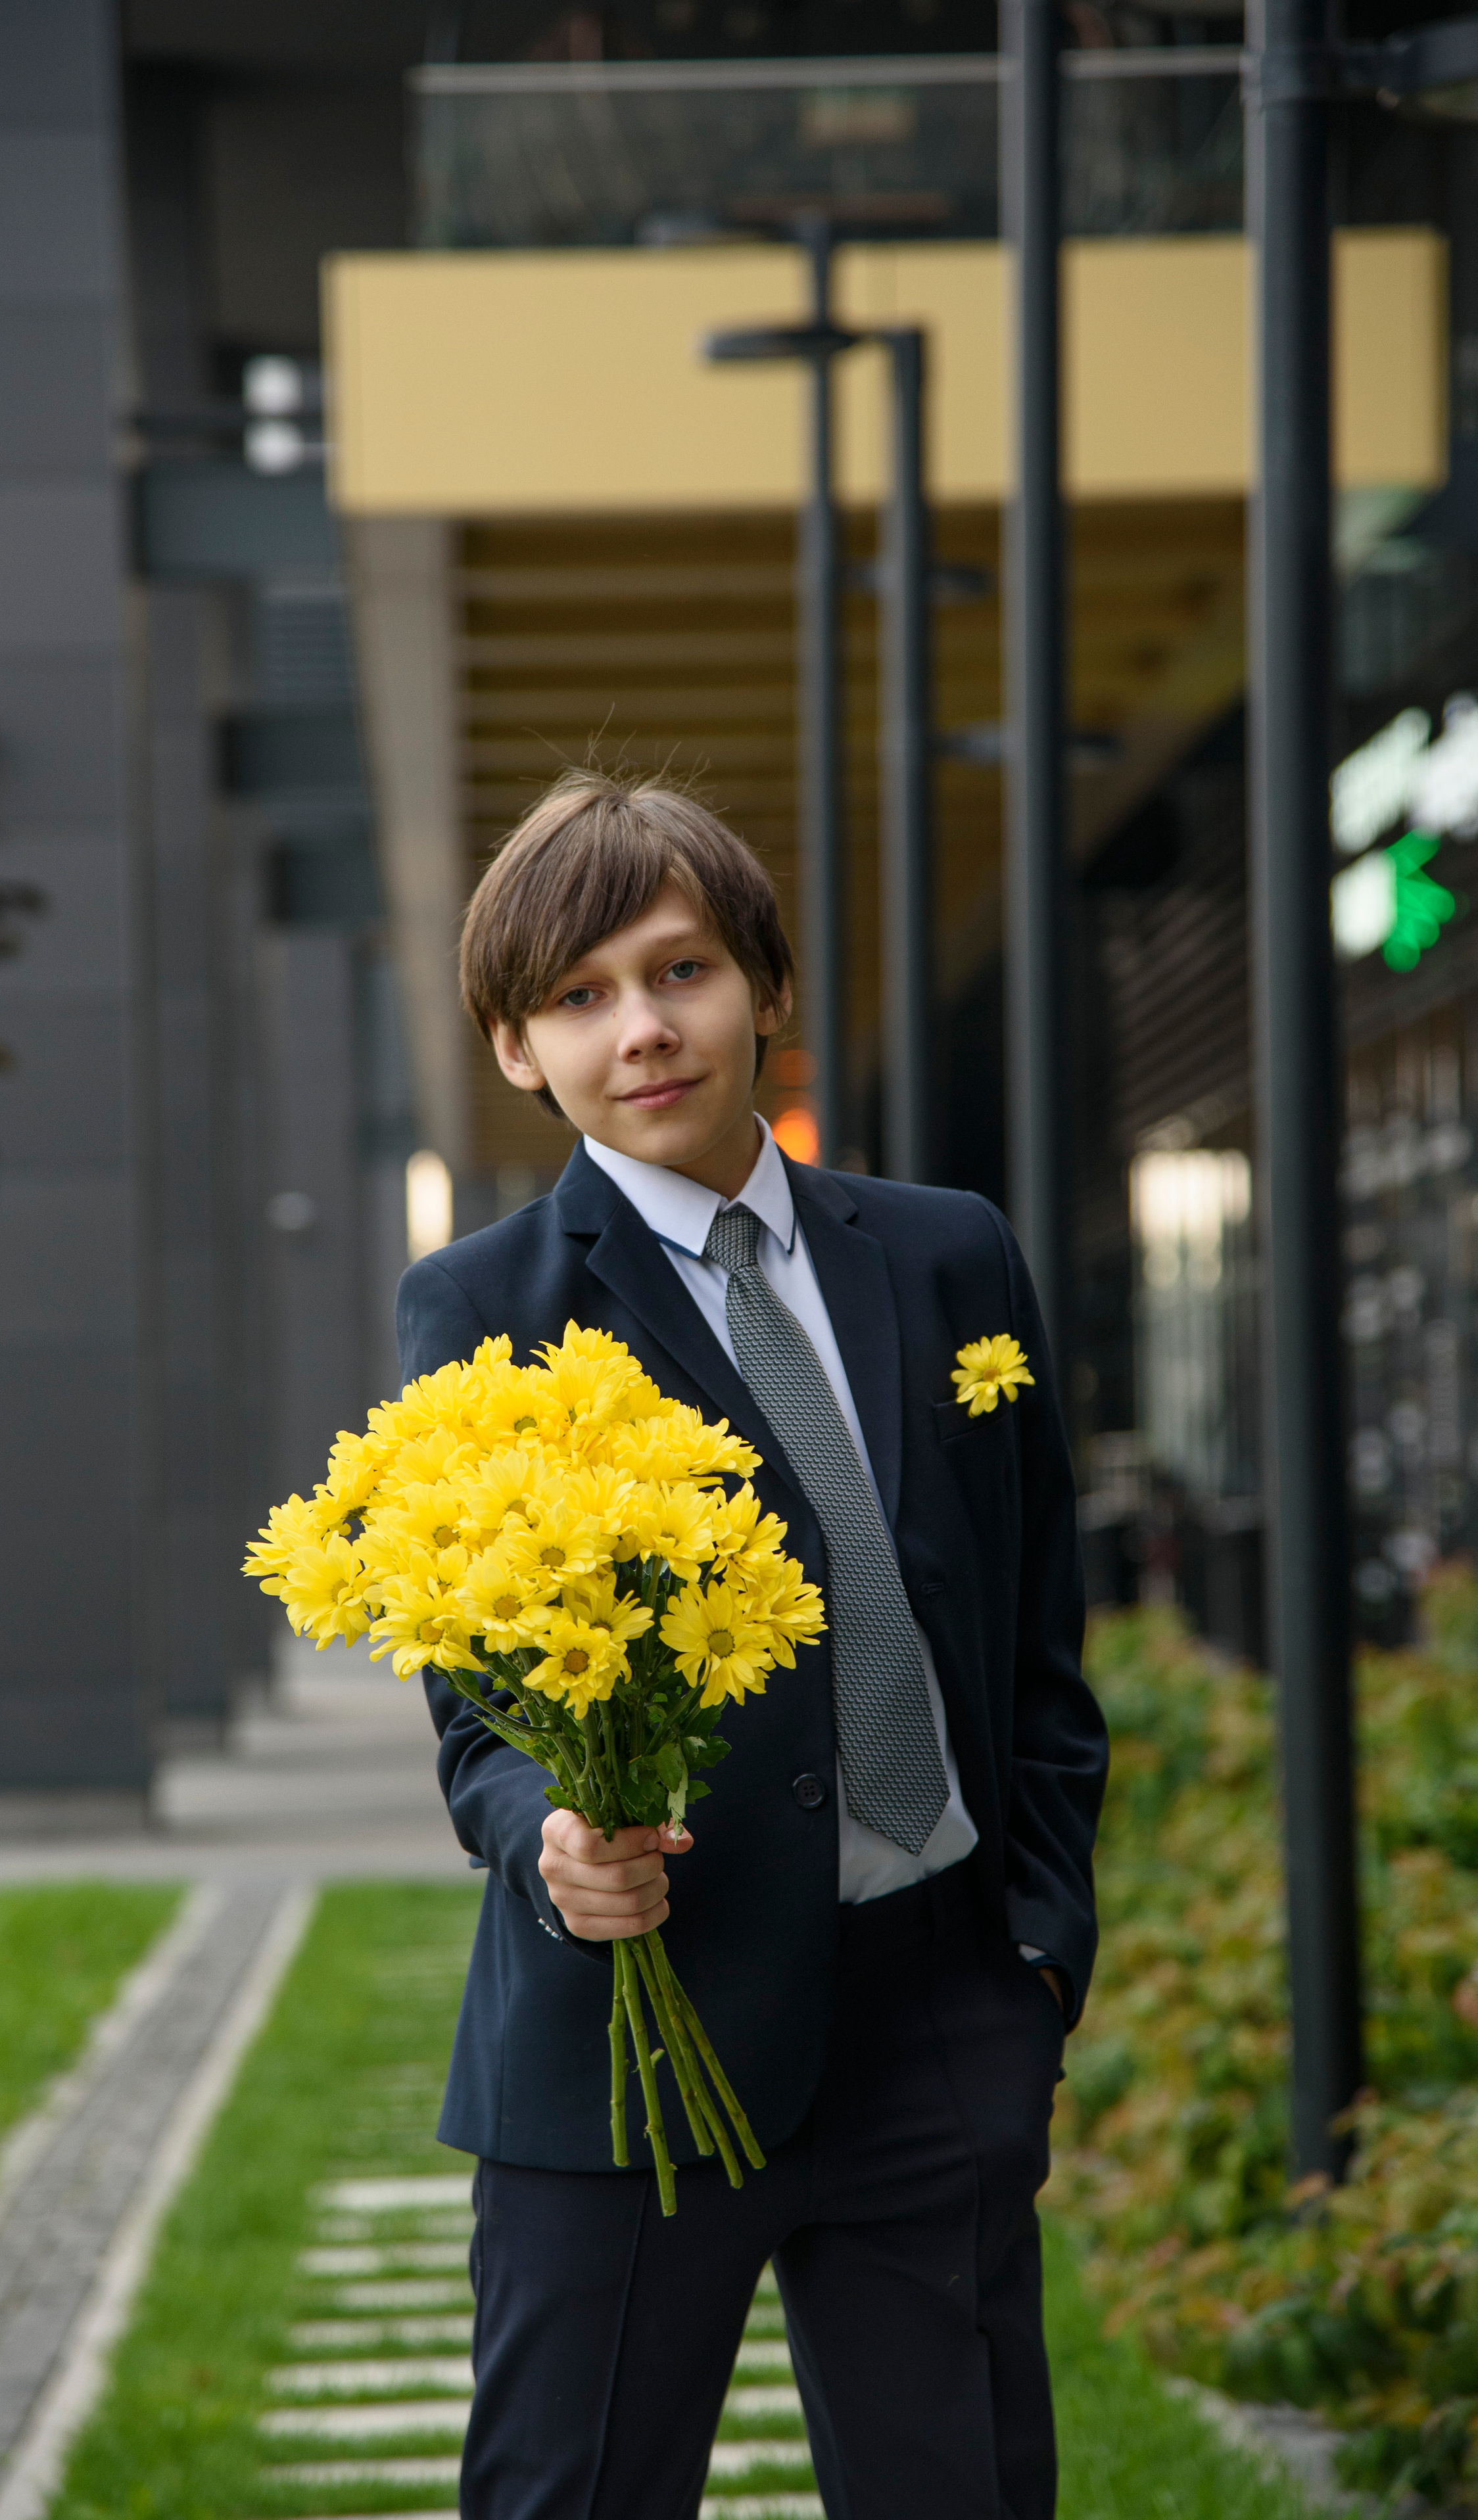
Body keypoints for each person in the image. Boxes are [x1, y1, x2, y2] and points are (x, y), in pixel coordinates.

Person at [395, 767, 1109, 2520]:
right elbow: (479, 1717)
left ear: (765, 986)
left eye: (681, 969)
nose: (641, 1029)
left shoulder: (948, 1256)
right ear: (516, 1047)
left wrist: (1033, 1949)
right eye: (579, 996)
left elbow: (1037, 1643)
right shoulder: (484, 1307)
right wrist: (550, 1846)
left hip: (937, 2014)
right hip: (634, 2041)